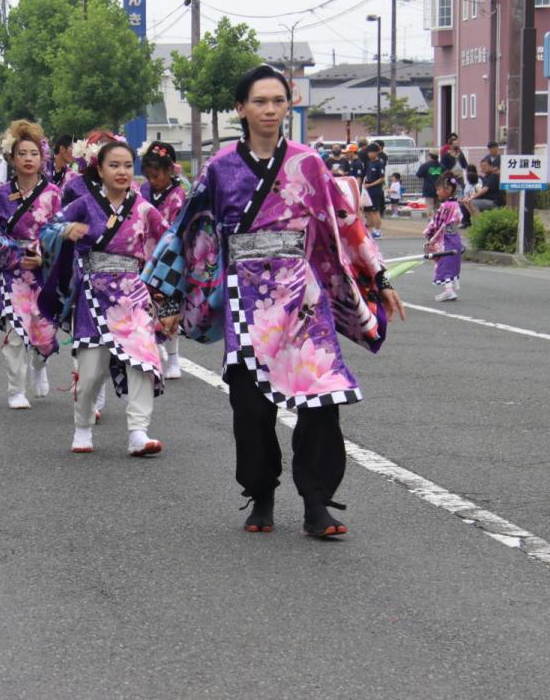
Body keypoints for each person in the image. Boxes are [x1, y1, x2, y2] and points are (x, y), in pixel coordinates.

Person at [142, 64, 404, 538]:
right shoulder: (220, 168)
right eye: (259, 101)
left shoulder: (309, 163)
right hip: (246, 297)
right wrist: (169, 299)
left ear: (289, 106)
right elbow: (188, 232)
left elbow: (343, 221)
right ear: (240, 108)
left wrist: (378, 275)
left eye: (278, 101)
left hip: (302, 295)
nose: (269, 110)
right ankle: (260, 492)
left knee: (320, 397)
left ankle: (316, 503)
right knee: (251, 407)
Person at [41, 139, 169, 456]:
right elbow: (47, 230)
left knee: (143, 361)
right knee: (90, 374)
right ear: (99, 169)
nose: (122, 171)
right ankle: (83, 426)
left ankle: (138, 431)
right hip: (93, 294)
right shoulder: (84, 204)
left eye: (127, 165)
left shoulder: (143, 208)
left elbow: (169, 242)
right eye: (114, 165)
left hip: (133, 294)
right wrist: (65, 231)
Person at [0, 120, 62, 410]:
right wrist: (16, 256)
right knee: (17, 333)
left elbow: (59, 232)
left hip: (44, 271)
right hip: (14, 272)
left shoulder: (53, 193)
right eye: (22, 153)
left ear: (42, 158)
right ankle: (15, 390)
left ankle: (39, 365)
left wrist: (45, 257)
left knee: (45, 333)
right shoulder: (1, 194)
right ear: (12, 158)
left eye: (33, 153)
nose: (28, 159)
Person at [139, 140, 187, 380]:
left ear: (169, 169)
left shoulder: (180, 195)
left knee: (169, 306)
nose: (152, 180)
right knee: (145, 306)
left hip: (169, 257)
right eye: (148, 176)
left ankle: (174, 357)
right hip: (144, 255)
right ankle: (153, 352)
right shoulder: (143, 191)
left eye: (156, 175)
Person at [425, 176, 464, 301]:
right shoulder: (455, 204)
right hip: (455, 237)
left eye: (438, 189)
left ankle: (449, 290)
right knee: (450, 263)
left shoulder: (445, 206)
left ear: (447, 190)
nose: (437, 192)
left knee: (444, 263)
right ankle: (449, 289)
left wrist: (429, 233)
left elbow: (437, 223)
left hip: (446, 239)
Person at [361, 142, 386, 238]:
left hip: (376, 190)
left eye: (371, 152)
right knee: (369, 211)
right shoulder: (370, 163)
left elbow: (382, 178)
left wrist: (370, 184)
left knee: (375, 211)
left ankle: (378, 230)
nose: (369, 154)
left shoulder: (379, 163)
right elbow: (367, 175)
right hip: (368, 190)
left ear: (376, 152)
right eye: (368, 152)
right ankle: (370, 229)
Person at [416, 149, 444, 219]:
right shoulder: (441, 166)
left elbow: (418, 174)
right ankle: (437, 221)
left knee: (429, 207)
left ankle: (432, 221)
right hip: (439, 190)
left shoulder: (425, 166)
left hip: (428, 189)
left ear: (430, 156)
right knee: (437, 207)